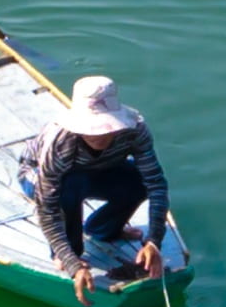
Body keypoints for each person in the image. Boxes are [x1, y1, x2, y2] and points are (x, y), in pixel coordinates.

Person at [27, 73, 168, 289]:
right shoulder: (59, 141)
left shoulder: (135, 130)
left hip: (102, 168)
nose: (97, 135)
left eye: (106, 128)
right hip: (44, 177)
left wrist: (154, 241)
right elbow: (47, 208)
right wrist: (72, 262)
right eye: (89, 129)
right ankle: (68, 251)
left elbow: (156, 184)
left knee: (138, 182)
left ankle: (104, 229)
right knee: (69, 188)